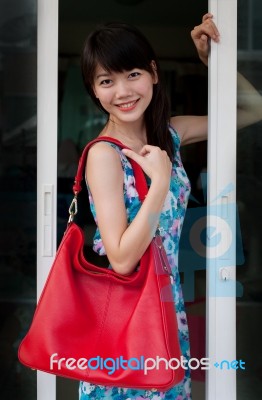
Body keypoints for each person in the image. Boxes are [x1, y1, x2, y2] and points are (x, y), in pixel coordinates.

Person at [79, 13, 261, 400]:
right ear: (95, 91)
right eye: (106, 81)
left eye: (132, 74)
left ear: (154, 74)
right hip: (125, 317)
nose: (123, 91)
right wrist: (160, 182)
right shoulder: (104, 156)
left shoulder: (171, 136)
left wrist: (215, 62)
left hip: (165, 308)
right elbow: (122, 258)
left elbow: (253, 110)